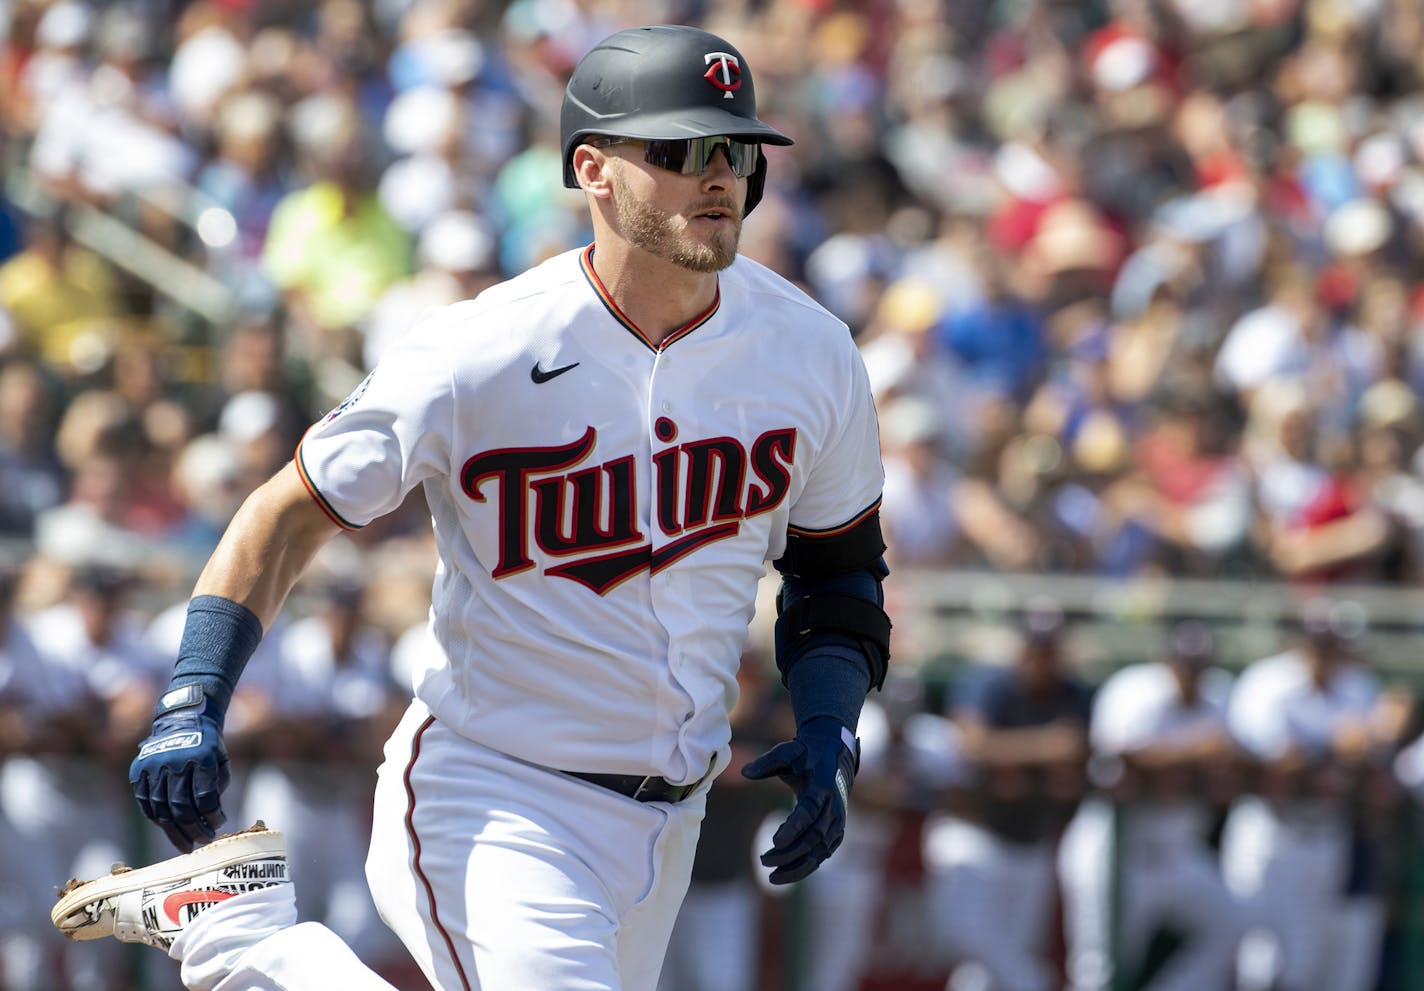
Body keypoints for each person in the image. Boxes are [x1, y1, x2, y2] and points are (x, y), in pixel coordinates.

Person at [52, 23, 891, 991]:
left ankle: (236, 926)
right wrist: (192, 695)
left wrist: (830, 725)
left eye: (735, 150)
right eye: (678, 150)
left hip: (674, 813)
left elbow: (836, 570)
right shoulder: (478, 348)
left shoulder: (811, 349)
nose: (717, 176)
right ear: (593, 170)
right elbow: (289, 511)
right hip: (494, 791)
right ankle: (237, 938)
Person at [1058, 620, 1244, 991]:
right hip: (1115, 854)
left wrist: (1196, 760)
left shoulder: (1218, 694)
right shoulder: (1134, 690)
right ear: (1166, 661)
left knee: (1234, 925)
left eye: (1199, 664)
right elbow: (1120, 761)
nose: (1191, 674)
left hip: (1179, 855)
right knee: (1099, 973)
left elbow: (1231, 764)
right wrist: (1194, 752)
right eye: (1184, 663)